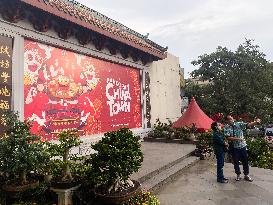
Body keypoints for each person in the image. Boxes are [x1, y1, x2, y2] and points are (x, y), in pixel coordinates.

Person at [224, 115, 261, 182]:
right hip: (234, 147)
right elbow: (228, 137)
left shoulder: (239, 124)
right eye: (229, 119)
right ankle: (238, 175)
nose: (231, 120)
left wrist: (256, 122)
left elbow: (248, 125)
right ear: (227, 121)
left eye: (231, 119)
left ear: (233, 119)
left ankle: (246, 175)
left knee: (245, 160)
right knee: (236, 161)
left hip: (242, 146)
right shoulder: (226, 127)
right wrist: (239, 139)